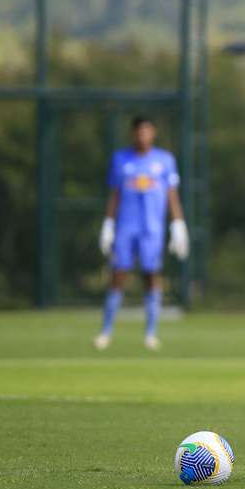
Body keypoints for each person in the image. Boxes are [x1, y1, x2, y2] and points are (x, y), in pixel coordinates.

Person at [94, 116, 189, 351]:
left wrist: (178, 225)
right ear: (133, 133)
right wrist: (108, 224)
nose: (143, 136)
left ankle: (150, 333)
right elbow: (115, 194)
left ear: (153, 133)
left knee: (151, 276)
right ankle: (106, 331)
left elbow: (172, 195)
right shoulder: (121, 159)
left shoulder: (165, 160)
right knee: (118, 276)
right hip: (127, 227)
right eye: (139, 131)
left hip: (152, 229)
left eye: (147, 131)